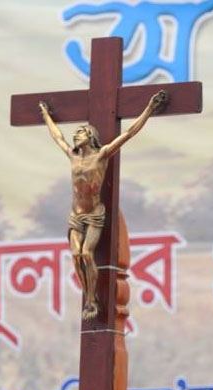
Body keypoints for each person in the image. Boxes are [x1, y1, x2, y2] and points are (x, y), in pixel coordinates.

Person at [38, 90, 166, 320]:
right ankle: (89, 297)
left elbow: (129, 133)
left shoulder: (101, 155)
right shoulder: (73, 156)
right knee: (76, 255)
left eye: (80, 132)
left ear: (90, 136)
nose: (76, 135)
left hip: (94, 214)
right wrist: (46, 115)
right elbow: (57, 137)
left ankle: (91, 300)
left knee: (87, 254)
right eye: (75, 133)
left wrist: (149, 109)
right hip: (76, 215)